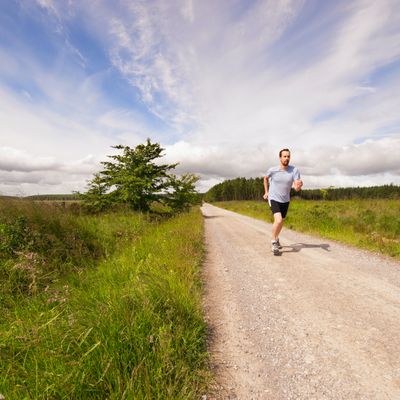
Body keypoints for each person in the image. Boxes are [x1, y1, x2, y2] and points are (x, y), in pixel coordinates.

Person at [263, 148, 303, 255]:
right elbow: (265, 178)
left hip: (285, 200)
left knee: (281, 222)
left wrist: (299, 185)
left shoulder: (294, 170)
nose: (287, 158)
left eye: (288, 156)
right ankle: (273, 242)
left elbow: (296, 188)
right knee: (279, 220)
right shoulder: (273, 170)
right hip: (273, 198)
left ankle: (276, 238)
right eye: (284, 156)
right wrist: (266, 192)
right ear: (280, 157)